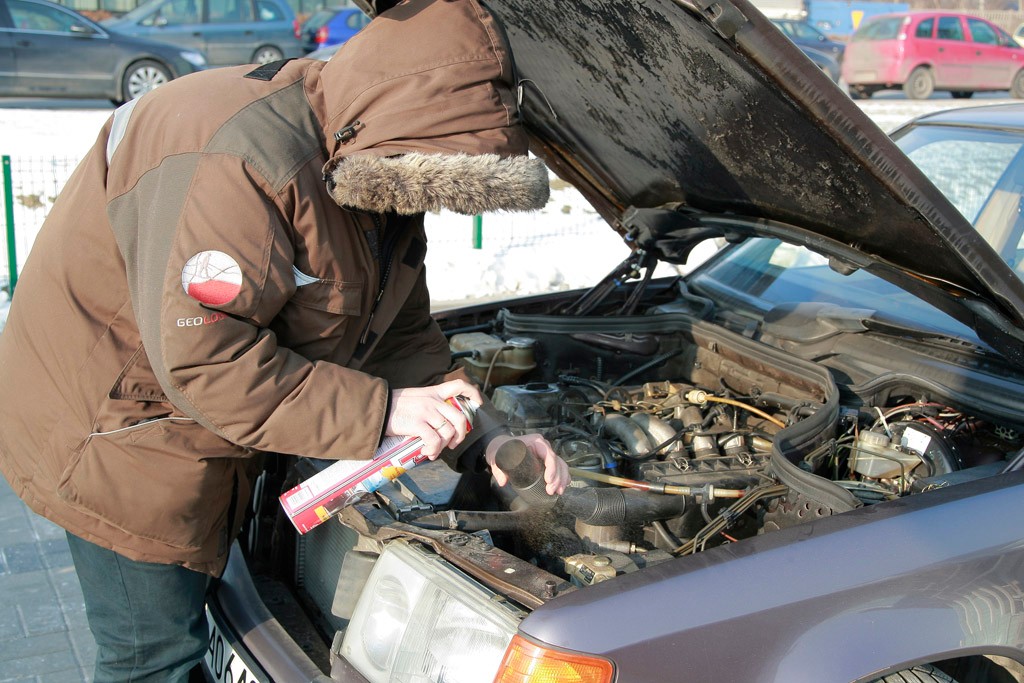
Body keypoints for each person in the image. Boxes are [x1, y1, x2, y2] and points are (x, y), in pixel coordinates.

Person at [0, 0, 571, 680]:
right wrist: (382, 410)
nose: (424, 201)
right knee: (154, 656)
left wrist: (487, 437)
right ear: (398, 126)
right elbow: (207, 362)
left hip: (201, 422)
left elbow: (401, 333)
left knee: (197, 626)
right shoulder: (238, 162)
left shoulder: (372, 158)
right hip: (118, 431)